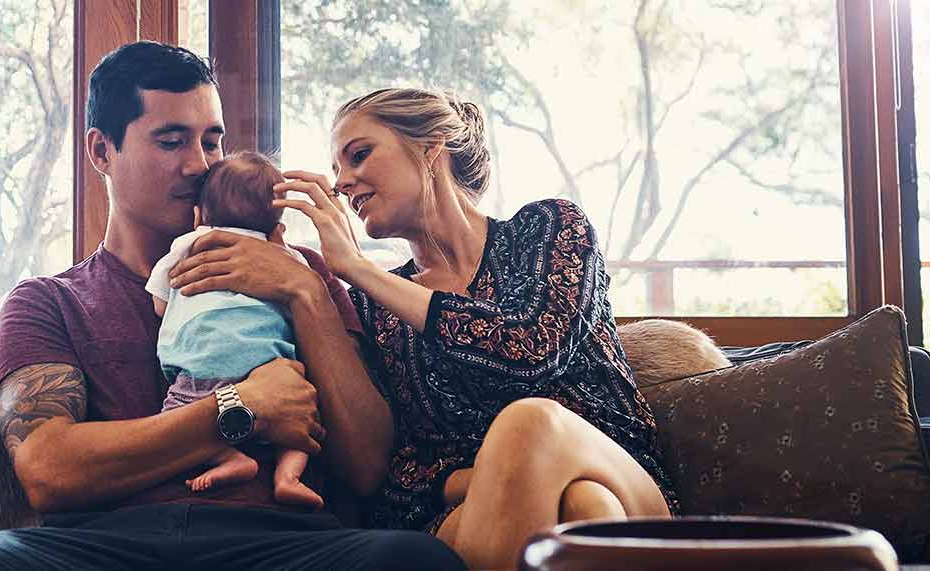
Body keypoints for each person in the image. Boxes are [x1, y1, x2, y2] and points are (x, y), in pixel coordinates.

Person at [0, 44, 462, 571]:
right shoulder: (48, 302)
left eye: (212, 141)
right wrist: (236, 408)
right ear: (102, 150)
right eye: (171, 141)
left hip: (282, 541)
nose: (199, 165)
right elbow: (49, 470)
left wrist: (304, 293)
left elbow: (367, 469)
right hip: (105, 545)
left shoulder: (305, 274)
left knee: (416, 560)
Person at [198, 86, 676, 568]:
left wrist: (358, 268)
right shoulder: (371, 310)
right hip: (469, 512)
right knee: (582, 510)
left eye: (359, 155)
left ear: (431, 150)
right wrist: (506, 472)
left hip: (622, 478)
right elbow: (394, 476)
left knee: (537, 428)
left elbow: (531, 350)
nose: (343, 183)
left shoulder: (549, 228)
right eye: (339, 169)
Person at [146, 151, 321, 509]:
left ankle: (229, 459)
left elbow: (160, 304)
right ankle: (288, 476)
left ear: (199, 215)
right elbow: (301, 309)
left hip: (200, 369)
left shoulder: (189, 244)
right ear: (275, 225)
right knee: (302, 418)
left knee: (173, 427)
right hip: (270, 367)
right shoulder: (288, 259)